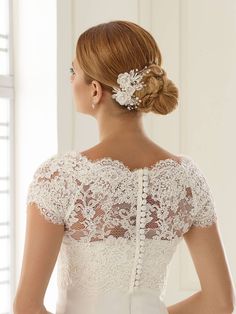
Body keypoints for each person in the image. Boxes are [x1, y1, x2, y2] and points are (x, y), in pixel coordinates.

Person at [13, 20, 235, 314]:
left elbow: (27, 307)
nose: (70, 80)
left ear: (95, 90)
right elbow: (220, 302)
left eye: (73, 72)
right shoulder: (187, 179)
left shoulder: (60, 178)